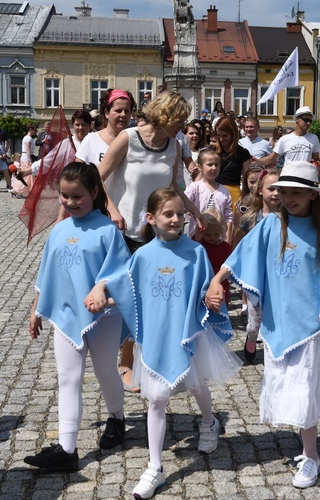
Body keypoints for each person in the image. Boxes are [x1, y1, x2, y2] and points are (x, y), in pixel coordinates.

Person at [207, 161, 320, 489]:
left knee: (305, 393)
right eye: (283, 191)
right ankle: (307, 447)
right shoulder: (271, 225)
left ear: (313, 195)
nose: (287, 197)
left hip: (312, 326)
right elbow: (240, 255)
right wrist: (218, 280)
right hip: (278, 323)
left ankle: (311, 455)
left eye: (296, 192)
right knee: (290, 389)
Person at [90, 187, 241, 499]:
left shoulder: (196, 252)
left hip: (186, 333)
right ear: (151, 218)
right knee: (157, 398)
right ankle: (155, 467)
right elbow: (125, 287)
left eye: (180, 214)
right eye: (168, 214)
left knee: (197, 385)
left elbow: (204, 287)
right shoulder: (142, 255)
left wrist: (211, 297)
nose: (175, 219)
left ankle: (209, 423)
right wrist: (102, 291)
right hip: (156, 337)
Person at [25, 162, 131, 472]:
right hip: (66, 315)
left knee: (104, 372)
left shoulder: (108, 231)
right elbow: (47, 275)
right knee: (68, 378)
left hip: (104, 317)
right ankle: (67, 449)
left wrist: (101, 287)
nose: (70, 203)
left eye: (77, 197)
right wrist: (36, 310)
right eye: (65, 196)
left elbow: (122, 272)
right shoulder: (59, 230)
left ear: (95, 193)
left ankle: (116, 417)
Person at [97, 91, 202, 394]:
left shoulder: (175, 145)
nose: (182, 126)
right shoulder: (128, 138)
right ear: (166, 116)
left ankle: (145, 358)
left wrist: (194, 213)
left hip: (155, 236)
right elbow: (98, 176)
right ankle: (125, 361)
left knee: (148, 298)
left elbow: (172, 187)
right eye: (179, 119)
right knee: (128, 298)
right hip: (124, 233)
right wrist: (112, 209)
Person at [184, 149, 233, 241]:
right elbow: (184, 200)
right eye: (210, 165)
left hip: (217, 239)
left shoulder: (224, 191)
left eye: (216, 165)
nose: (214, 168)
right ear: (200, 167)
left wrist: (227, 239)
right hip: (198, 238)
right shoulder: (195, 187)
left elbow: (228, 217)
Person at [194, 210, 233, 306]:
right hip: (202, 285)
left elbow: (231, 266)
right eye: (208, 234)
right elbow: (192, 249)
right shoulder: (199, 245)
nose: (212, 237)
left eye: (216, 234)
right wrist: (197, 234)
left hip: (221, 285)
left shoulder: (225, 247)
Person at [214, 116, 251, 206]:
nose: (221, 139)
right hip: (214, 191)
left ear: (233, 134)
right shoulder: (213, 151)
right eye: (219, 136)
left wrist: (246, 197)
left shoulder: (243, 153)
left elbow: (247, 178)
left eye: (225, 136)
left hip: (233, 194)